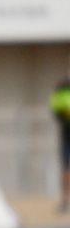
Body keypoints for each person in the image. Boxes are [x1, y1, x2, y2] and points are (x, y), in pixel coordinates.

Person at [50, 60, 70, 214]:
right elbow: (55, 108)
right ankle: (65, 200)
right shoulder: (62, 87)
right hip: (67, 131)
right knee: (65, 168)